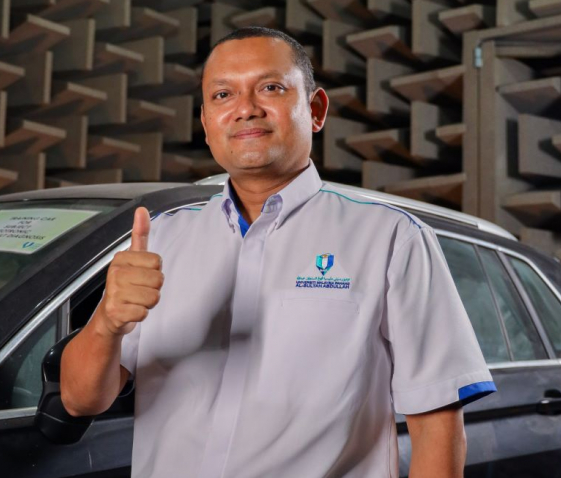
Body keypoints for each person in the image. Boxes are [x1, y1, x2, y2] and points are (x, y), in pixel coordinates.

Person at [60, 26, 496, 478]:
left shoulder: (392, 239)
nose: (245, 109)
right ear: (207, 122)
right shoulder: (161, 239)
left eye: (270, 87)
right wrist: (107, 324)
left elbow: (438, 431)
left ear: (316, 108)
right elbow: (80, 399)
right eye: (223, 95)